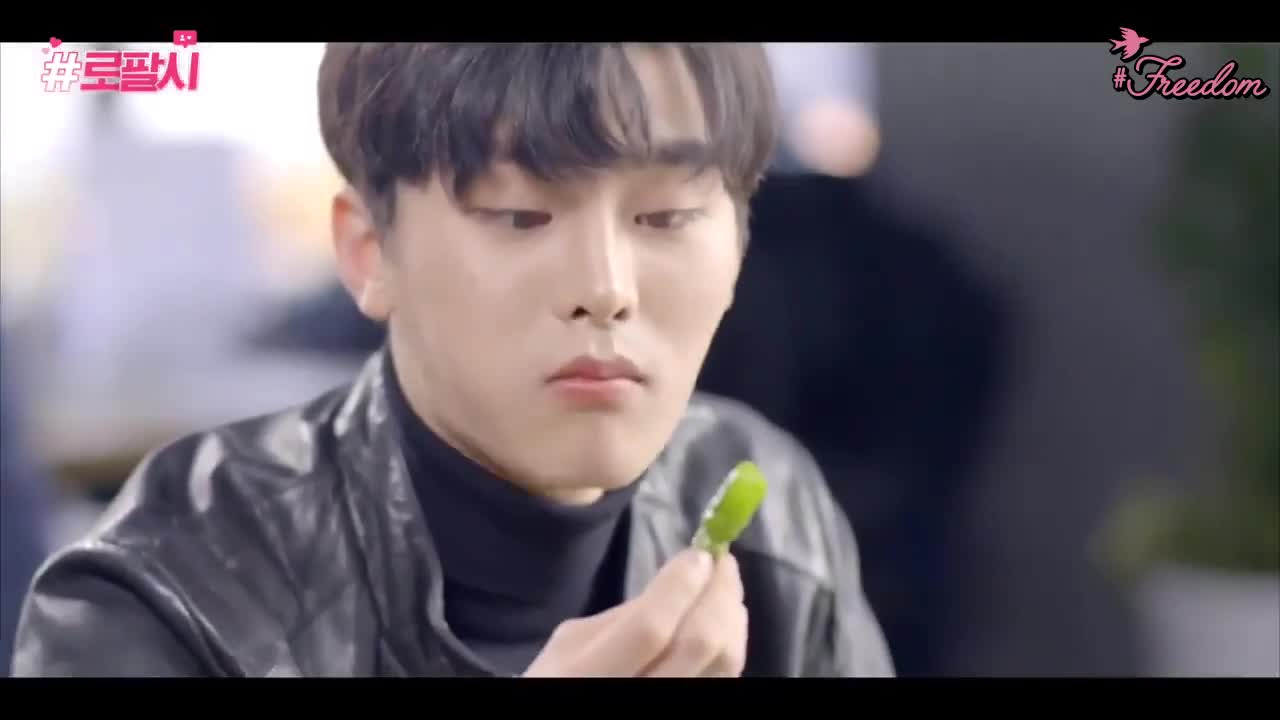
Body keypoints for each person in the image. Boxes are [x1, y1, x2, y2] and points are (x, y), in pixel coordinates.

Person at [11, 43, 894, 678]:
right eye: (520, 216)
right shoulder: (164, 596)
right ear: (368, 251)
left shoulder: (772, 519)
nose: (605, 288)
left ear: (738, 246)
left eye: (665, 217)